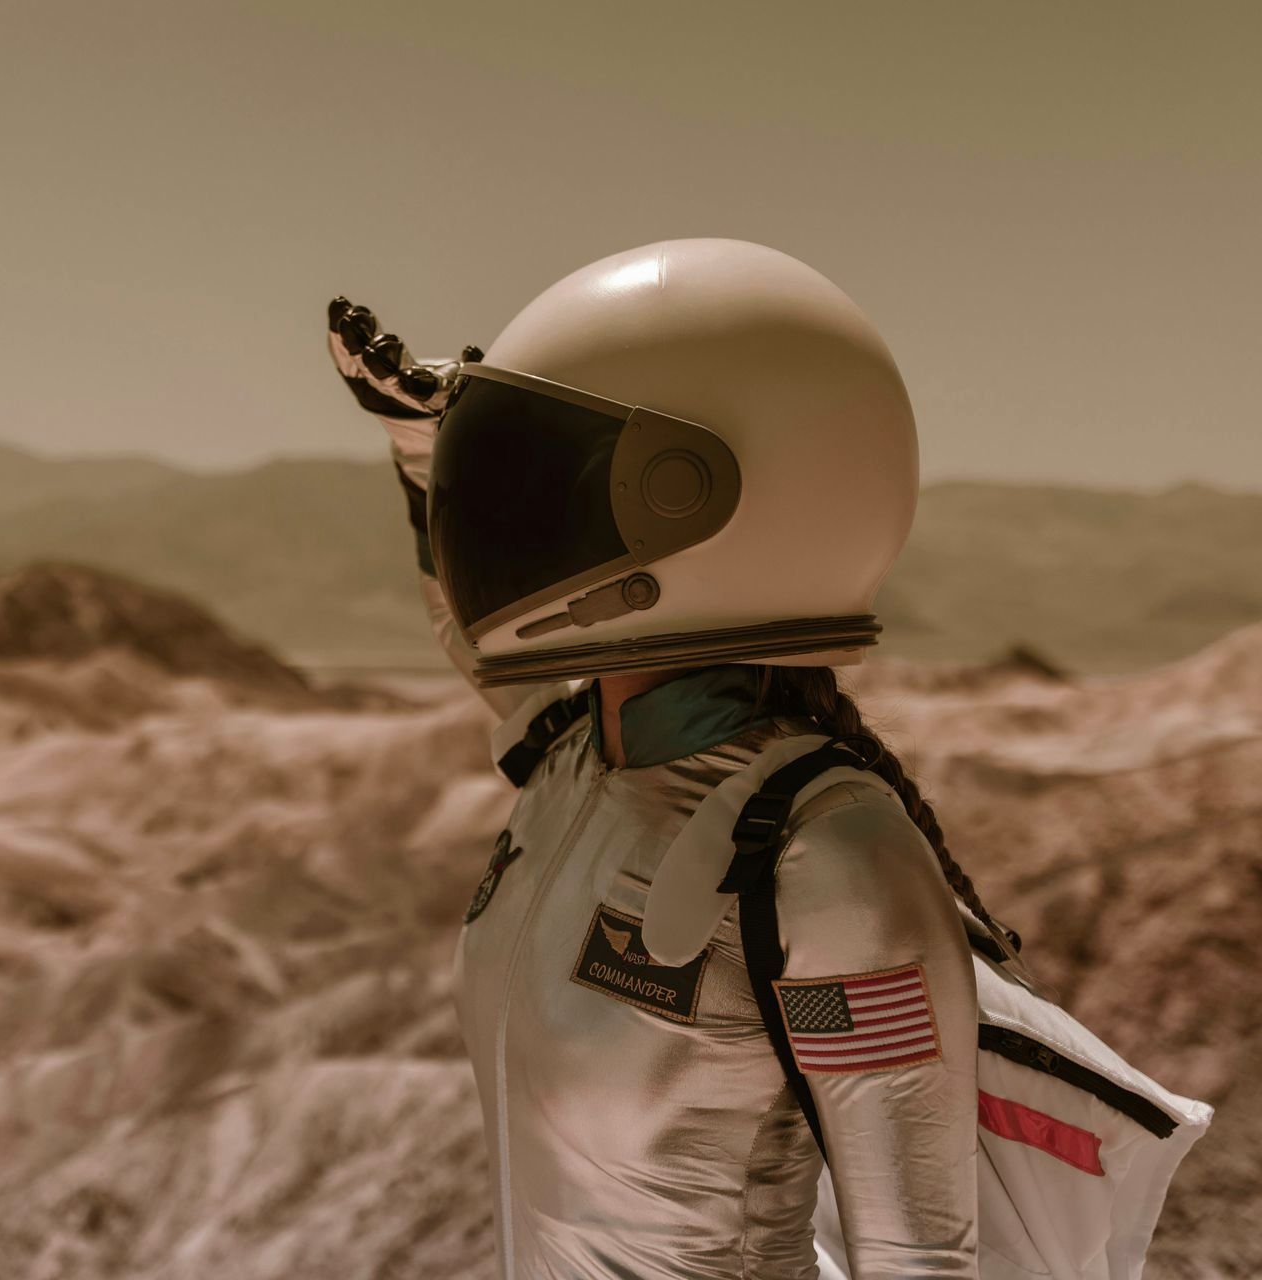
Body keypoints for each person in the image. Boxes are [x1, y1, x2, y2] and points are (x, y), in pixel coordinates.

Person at [327, 240, 997, 1278]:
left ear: (690, 502)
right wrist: (423, 456)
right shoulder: (581, 763)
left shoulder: (827, 857)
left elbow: (925, 1258)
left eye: (561, 489)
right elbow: (479, 647)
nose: (518, 525)